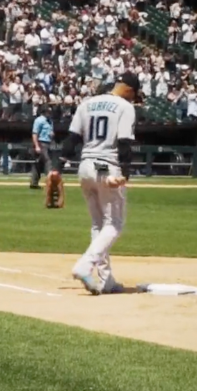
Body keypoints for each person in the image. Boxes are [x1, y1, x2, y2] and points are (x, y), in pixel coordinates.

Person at [61, 73, 141, 296]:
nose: (134, 98)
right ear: (127, 88)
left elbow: (72, 139)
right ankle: (85, 266)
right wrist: (124, 173)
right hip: (105, 167)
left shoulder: (87, 103)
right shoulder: (125, 107)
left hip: (85, 167)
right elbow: (124, 143)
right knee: (114, 224)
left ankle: (107, 280)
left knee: (99, 225)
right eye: (134, 93)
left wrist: (57, 166)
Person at [29, 107, 54, 189]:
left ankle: (34, 183)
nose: (50, 114)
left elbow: (50, 132)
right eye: (48, 112)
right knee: (48, 162)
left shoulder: (50, 121)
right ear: (44, 112)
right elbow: (35, 134)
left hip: (48, 143)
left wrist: (52, 135)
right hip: (41, 143)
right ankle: (50, 182)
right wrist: (36, 146)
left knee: (38, 164)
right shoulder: (39, 120)